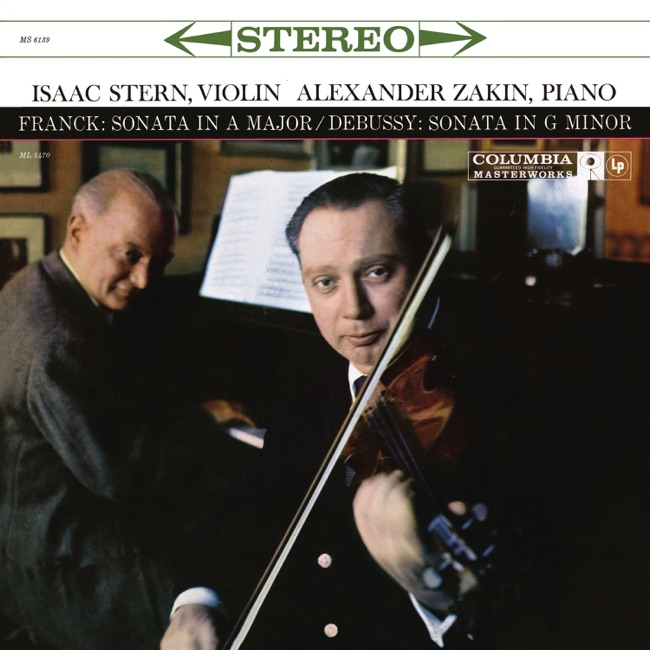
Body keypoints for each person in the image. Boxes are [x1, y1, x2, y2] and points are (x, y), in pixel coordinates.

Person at [161, 173, 496, 650]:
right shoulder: (309, 392)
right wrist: (196, 602)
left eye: (377, 272)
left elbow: (538, 606)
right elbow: (244, 512)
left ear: (423, 264)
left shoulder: (489, 407)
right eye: (325, 282)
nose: (353, 309)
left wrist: (436, 592)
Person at [0, 169, 238, 650]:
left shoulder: (40, 283)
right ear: (77, 230)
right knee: (225, 597)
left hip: (41, 527)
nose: (145, 279)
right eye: (130, 255)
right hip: (59, 563)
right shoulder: (56, 341)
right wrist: (206, 422)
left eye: (160, 261)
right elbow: (124, 475)